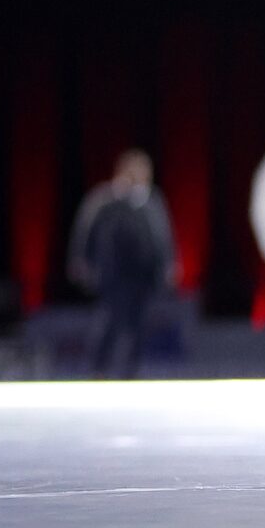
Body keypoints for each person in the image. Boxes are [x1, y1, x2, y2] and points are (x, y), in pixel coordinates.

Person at [68, 149, 176, 377]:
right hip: (112, 274)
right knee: (109, 320)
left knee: (137, 324)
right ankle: (98, 370)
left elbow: (162, 236)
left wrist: (168, 265)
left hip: (142, 276)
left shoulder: (150, 201)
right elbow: (85, 231)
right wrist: (81, 261)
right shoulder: (105, 200)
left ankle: (130, 371)